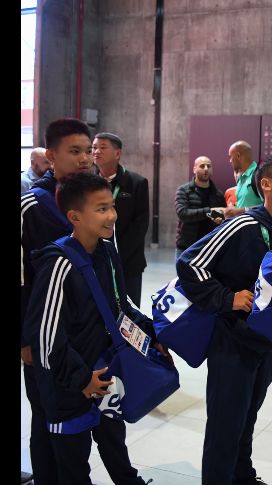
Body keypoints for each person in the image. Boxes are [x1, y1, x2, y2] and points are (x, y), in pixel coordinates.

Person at [23, 172, 165, 484]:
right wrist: (80, 379)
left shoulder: (107, 253)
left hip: (105, 374)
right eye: (101, 209)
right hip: (69, 388)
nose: (112, 215)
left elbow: (120, 307)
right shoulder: (58, 263)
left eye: (112, 206)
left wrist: (151, 336)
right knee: (73, 464)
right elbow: (45, 339)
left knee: (114, 440)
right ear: (74, 216)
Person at [177, 154, 272, 485]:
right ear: (265, 185)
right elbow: (190, 262)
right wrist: (226, 298)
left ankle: (242, 476)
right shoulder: (243, 224)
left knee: (246, 419)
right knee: (225, 425)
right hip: (232, 344)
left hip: (264, 347)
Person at [21, 118, 95, 485]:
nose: (84, 158)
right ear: (51, 156)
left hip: (83, 334)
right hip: (43, 337)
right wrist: (23, 341)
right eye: (74, 151)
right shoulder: (31, 207)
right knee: (46, 417)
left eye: (88, 151)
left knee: (76, 422)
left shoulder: (93, 200)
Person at [92, 132, 150, 305]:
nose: (96, 152)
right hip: (95, 258)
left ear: (117, 153)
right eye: (94, 148)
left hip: (128, 261)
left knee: (128, 310)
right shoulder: (87, 183)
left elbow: (140, 224)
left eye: (103, 147)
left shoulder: (136, 182)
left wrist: (116, 255)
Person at [174, 155, 226, 259]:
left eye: (209, 166)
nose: (206, 169)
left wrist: (221, 219)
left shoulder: (218, 195)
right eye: (202, 166)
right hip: (186, 248)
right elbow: (183, 214)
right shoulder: (183, 191)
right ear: (194, 169)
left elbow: (224, 218)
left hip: (209, 249)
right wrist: (209, 212)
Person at [222, 140, 262, 219]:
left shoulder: (260, 175)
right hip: (244, 229)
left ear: (238, 156)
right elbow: (243, 206)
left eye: (230, 157)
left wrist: (239, 211)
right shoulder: (240, 179)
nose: (230, 161)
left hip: (257, 230)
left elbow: (270, 207)